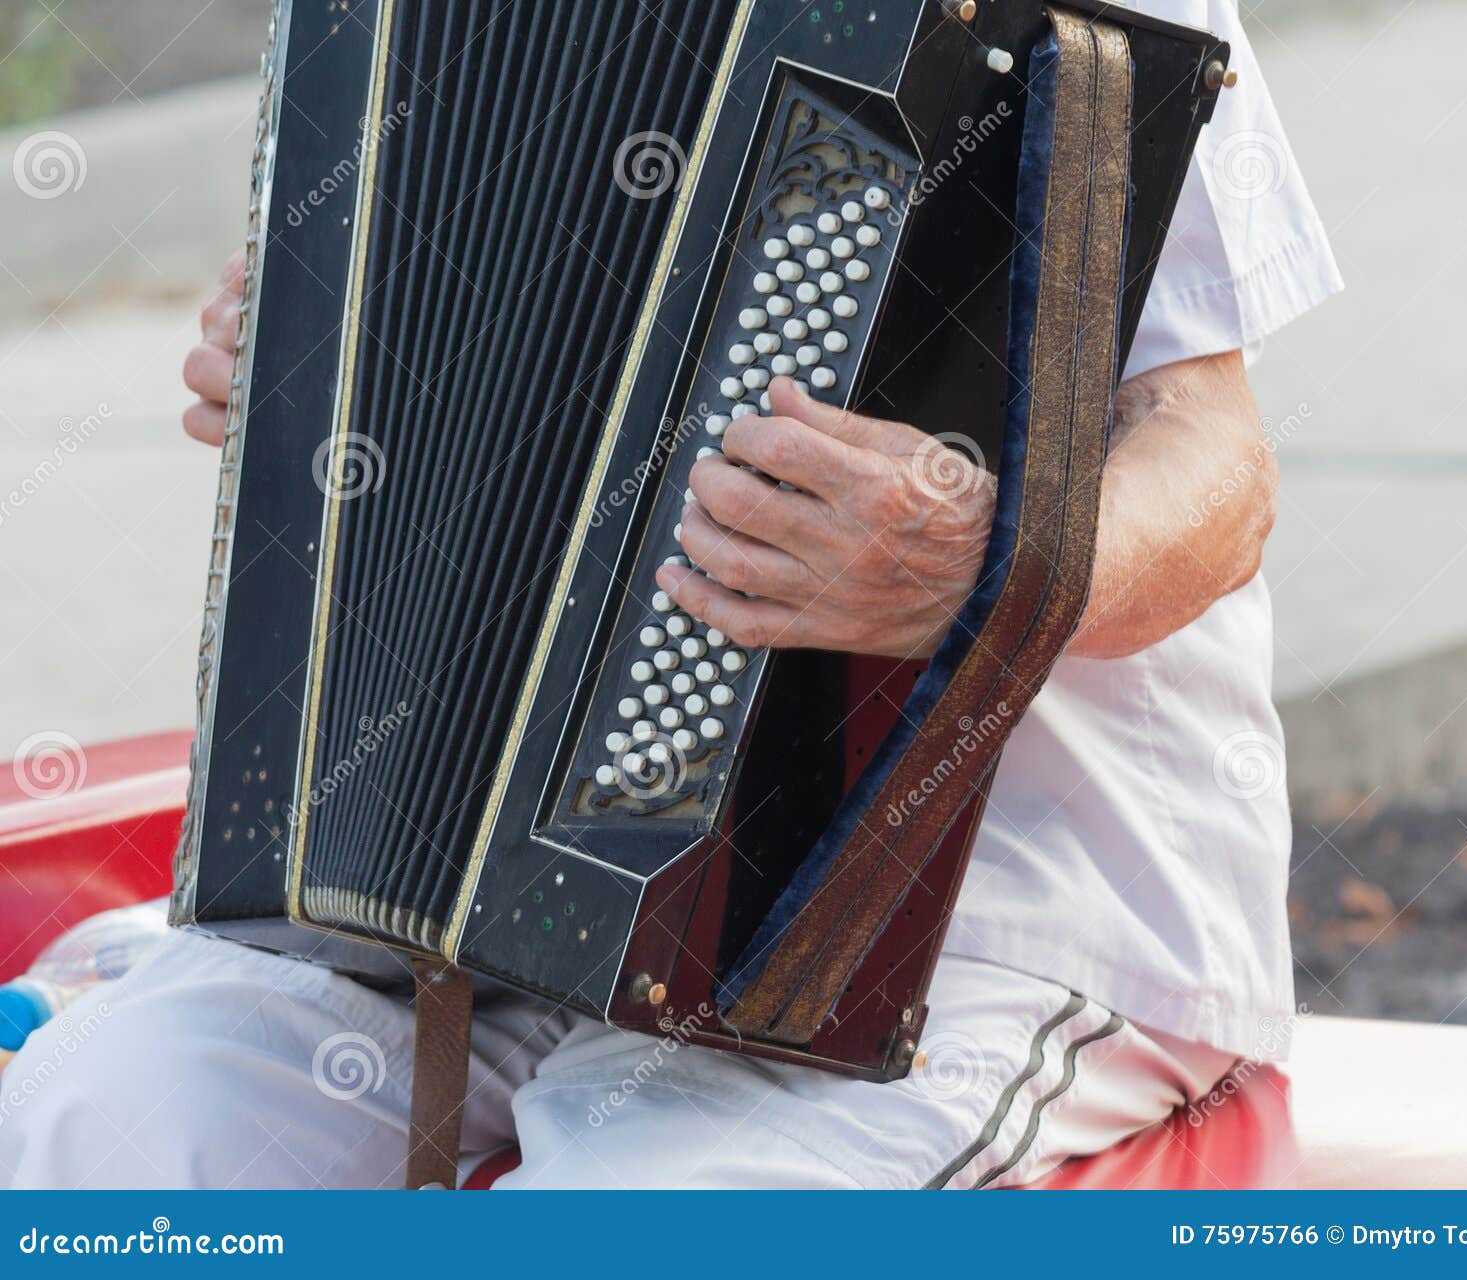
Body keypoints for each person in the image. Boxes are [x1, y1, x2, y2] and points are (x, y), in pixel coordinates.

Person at [0, 0, 1340, 1189]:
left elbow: (1220, 471)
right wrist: (316, 344)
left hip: (976, 917)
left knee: (635, 1212)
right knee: (101, 1127)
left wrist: (973, 563)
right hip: (465, 897)